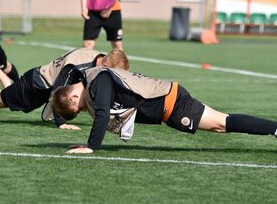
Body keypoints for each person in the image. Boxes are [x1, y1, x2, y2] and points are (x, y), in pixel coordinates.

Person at [52, 66, 277, 153]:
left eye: (78, 107)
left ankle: (275, 129)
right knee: (223, 123)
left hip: (174, 105)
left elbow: (102, 113)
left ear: (73, 95)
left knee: (222, 124)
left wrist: (91, 147)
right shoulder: (93, 79)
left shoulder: (97, 82)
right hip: (172, 102)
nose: (82, 110)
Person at [0, 48, 129, 127]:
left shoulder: (98, 59)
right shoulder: (78, 65)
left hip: (43, 87)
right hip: (35, 85)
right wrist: (62, 123)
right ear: (105, 65)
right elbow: (58, 93)